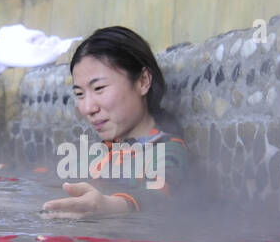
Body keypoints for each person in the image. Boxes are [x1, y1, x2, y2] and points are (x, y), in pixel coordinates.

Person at [41, 26, 189, 216]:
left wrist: (108, 206)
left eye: (99, 88)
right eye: (79, 94)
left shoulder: (168, 152)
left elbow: (160, 196)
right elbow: (48, 178)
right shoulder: (94, 155)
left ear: (143, 81)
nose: (87, 108)